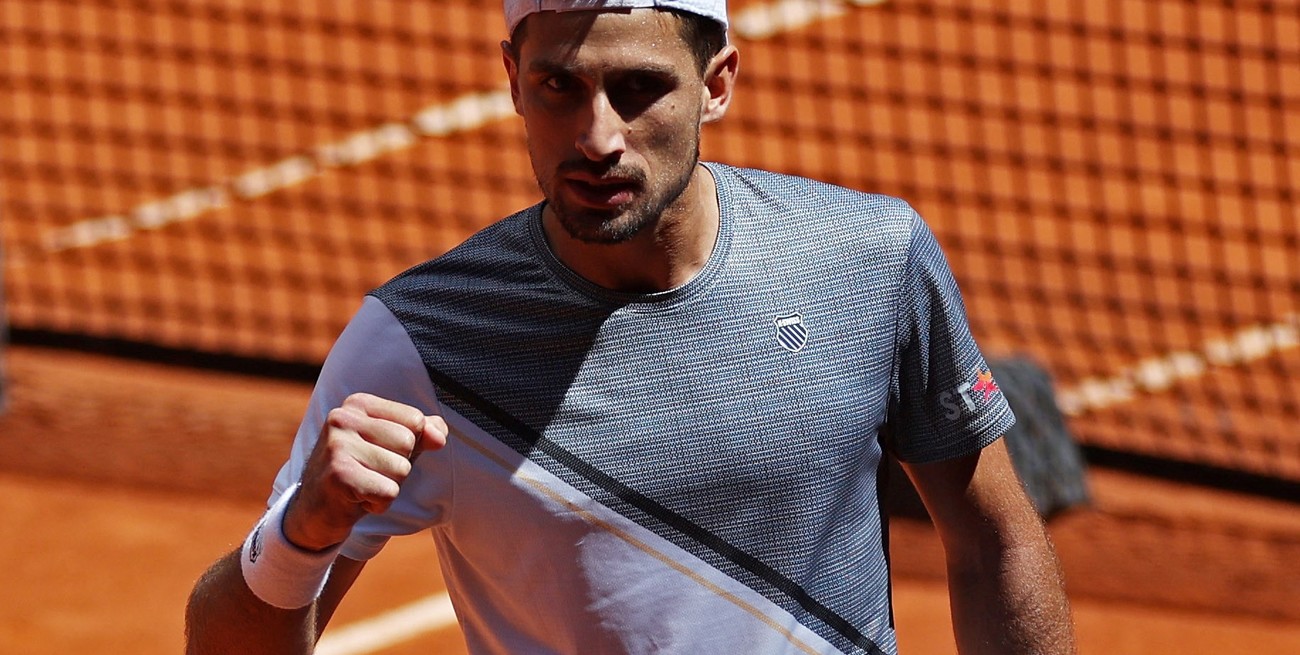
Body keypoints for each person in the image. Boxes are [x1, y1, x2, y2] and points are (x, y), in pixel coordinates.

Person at [186, 1, 1077, 653]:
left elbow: (994, 536)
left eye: (639, 88)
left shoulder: (869, 258)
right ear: (512, 82)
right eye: (558, 87)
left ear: (717, 84)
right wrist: (301, 533)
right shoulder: (420, 343)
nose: (597, 136)